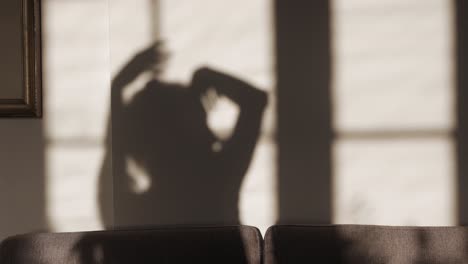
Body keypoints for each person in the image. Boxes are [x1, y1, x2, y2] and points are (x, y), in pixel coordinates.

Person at [108, 42, 268, 226]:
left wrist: (118, 85)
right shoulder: (219, 180)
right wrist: (205, 74)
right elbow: (255, 100)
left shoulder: (136, 211)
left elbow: (118, 146)